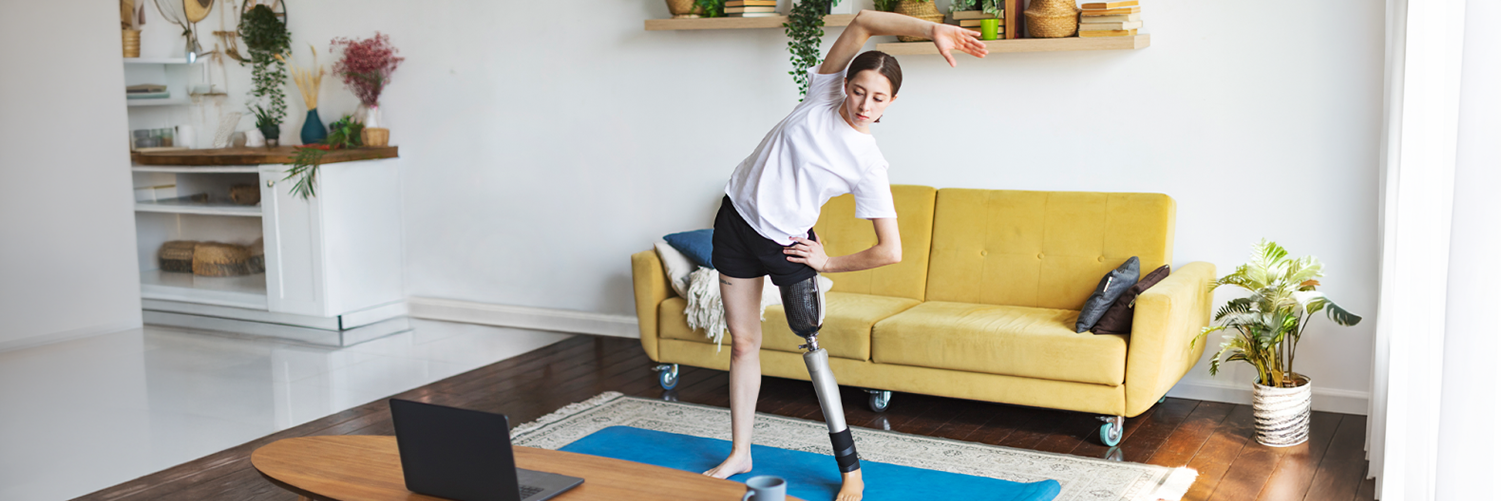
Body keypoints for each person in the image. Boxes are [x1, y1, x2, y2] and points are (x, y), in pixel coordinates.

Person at [701, 9, 987, 501]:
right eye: (858, 90)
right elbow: (861, 21)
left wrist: (827, 263)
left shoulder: (868, 162)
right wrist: (932, 30)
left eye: (877, 98)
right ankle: (741, 452)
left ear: (890, 103)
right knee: (744, 344)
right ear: (844, 84)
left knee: (811, 349)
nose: (863, 103)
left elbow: (889, 250)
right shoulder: (821, 95)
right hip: (734, 221)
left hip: (787, 247)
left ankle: (850, 470)